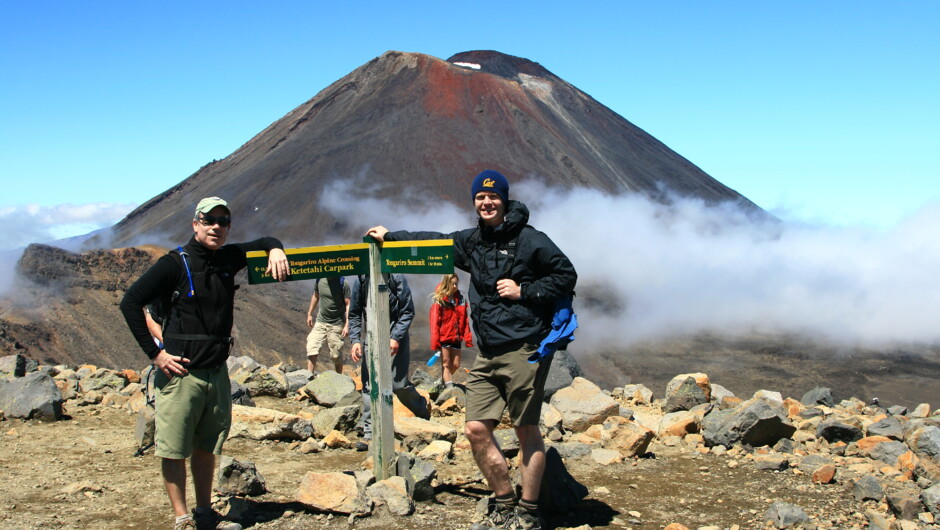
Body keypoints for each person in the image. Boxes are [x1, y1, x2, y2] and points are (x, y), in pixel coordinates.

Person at [366, 170, 577, 530]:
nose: (487, 202)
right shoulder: (473, 241)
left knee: (526, 430)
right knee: (475, 429)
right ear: (475, 202)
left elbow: (565, 274)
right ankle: (504, 502)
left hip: (524, 348)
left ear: (505, 200)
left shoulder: (530, 240)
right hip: (488, 352)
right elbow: (433, 241)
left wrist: (524, 291)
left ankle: (527, 513)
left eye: (493, 197)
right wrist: (391, 237)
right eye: (480, 197)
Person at [120, 197, 290, 530]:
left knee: (207, 447)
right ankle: (181, 517)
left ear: (229, 227)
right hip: (181, 375)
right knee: (173, 448)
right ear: (195, 223)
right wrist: (155, 355)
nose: (216, 227)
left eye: (222, 222)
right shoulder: (173, 264)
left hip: (216, 373)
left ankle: (203, 512)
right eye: (208, 220)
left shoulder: (228, 257)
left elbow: (266, 241)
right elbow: (130, 302)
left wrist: (277, 249)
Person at [348, 272, 430, 451]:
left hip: (394, 335)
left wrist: (396, 337)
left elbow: (407, 310)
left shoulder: (396, 277)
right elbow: (354, 313)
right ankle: (370, 434)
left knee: (398, 384)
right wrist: (355, 340)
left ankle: (421, 408)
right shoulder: (362, 279)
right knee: (370, 385)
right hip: (371, 335)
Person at [429, 273, 473, 388]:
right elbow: (434, 323)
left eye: (456, 283)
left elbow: (465, 320)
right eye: (452, 283)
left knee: (456, 364)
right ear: (446, 284)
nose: (454, 286)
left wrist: (467, 338)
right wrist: (436, 343)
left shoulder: (461, 299)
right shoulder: (439, 300)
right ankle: (449, 389)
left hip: (456, 337)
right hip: (444, 337)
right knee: (446, 363)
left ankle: (443, 380)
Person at [305, 276, 351, 374]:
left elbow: (348, 304)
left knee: (336, 355)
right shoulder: (319, 279)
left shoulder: (343, 283)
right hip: (320, 322)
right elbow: (316, 296)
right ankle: (308, 377)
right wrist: (309, 314)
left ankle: (339, 377)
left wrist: (347, 324)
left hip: (336, 324)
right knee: (312, 348)